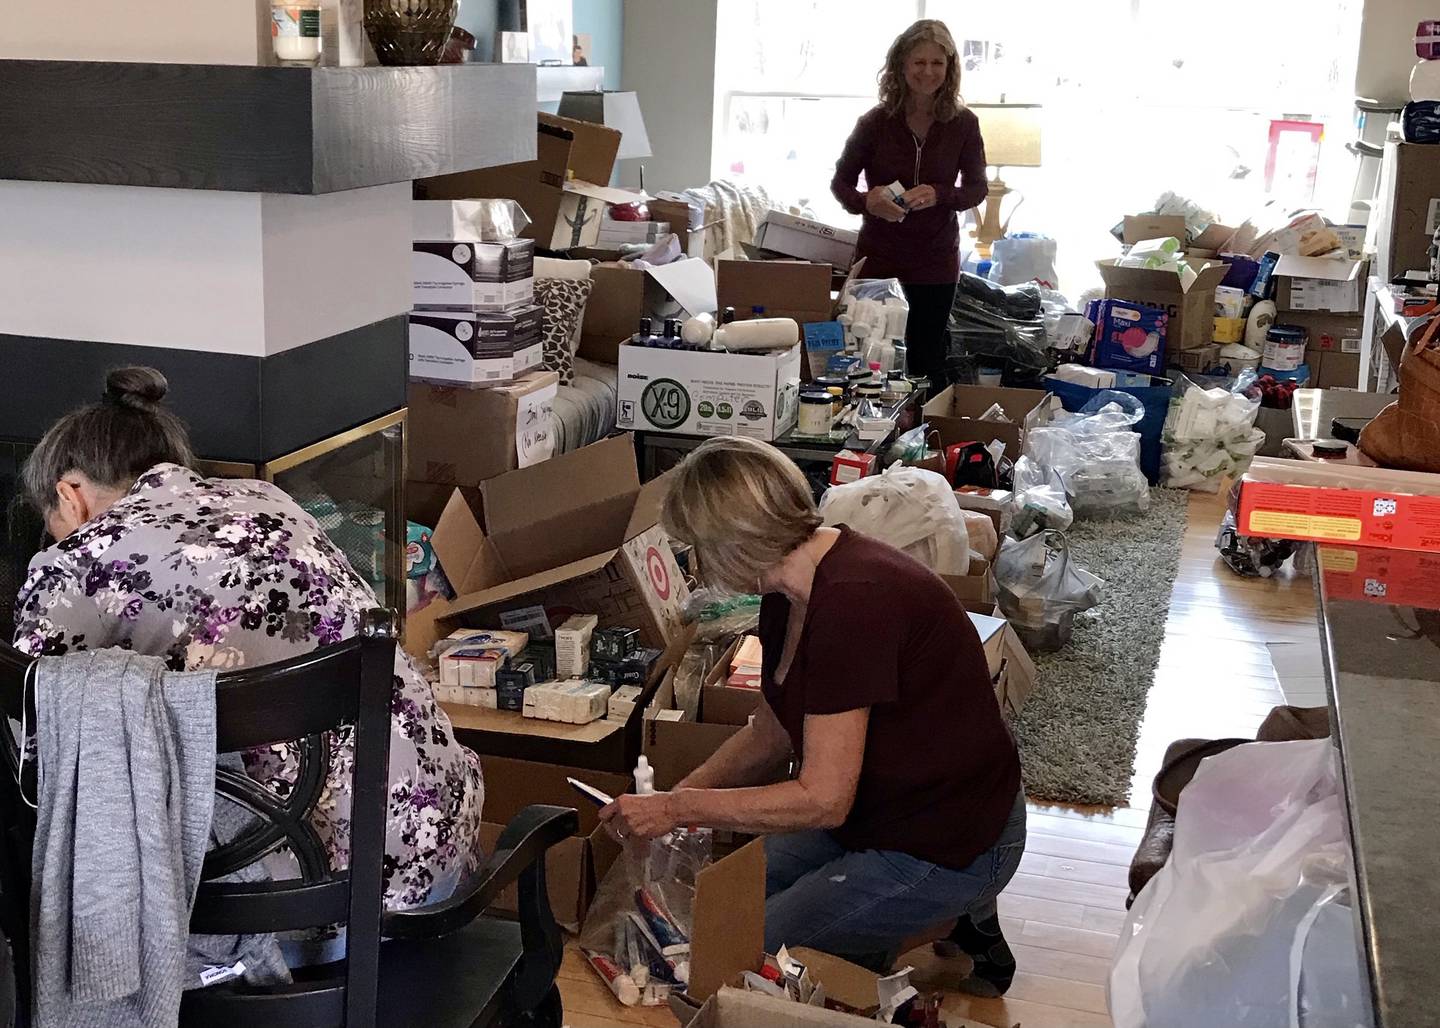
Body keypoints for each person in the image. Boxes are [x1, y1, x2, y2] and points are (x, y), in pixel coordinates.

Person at [14, 367, 485, 914]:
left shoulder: (77, 562)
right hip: (439, 851)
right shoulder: (269, 501)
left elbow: (37, 763)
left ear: (69, 496)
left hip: (307, 900)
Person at [599, 437, 1026, 994]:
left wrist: (679, 807)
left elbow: (823, 798)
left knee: (737, 951)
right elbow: (772, 732)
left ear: (735, 542)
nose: (699, 566)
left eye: (699, 549)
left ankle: (940, 915)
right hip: (882, 811)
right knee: (720, 904)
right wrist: (672, 803)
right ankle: (929, 922)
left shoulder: (853, 604)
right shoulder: (789, 589)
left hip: (949, 838)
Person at [831, 20, 989, 387]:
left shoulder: (964, 124)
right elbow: (841, 183)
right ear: (902, 65)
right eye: (919, 62)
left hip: (935, 261)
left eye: (938, 63)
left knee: (925, 359)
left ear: (949, 68)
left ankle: (917, 438)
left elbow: (977, 189)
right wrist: (866, 202)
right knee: (867, 357)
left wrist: (940, 193)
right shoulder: (874, 123)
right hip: (879, 259)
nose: (928, 72)